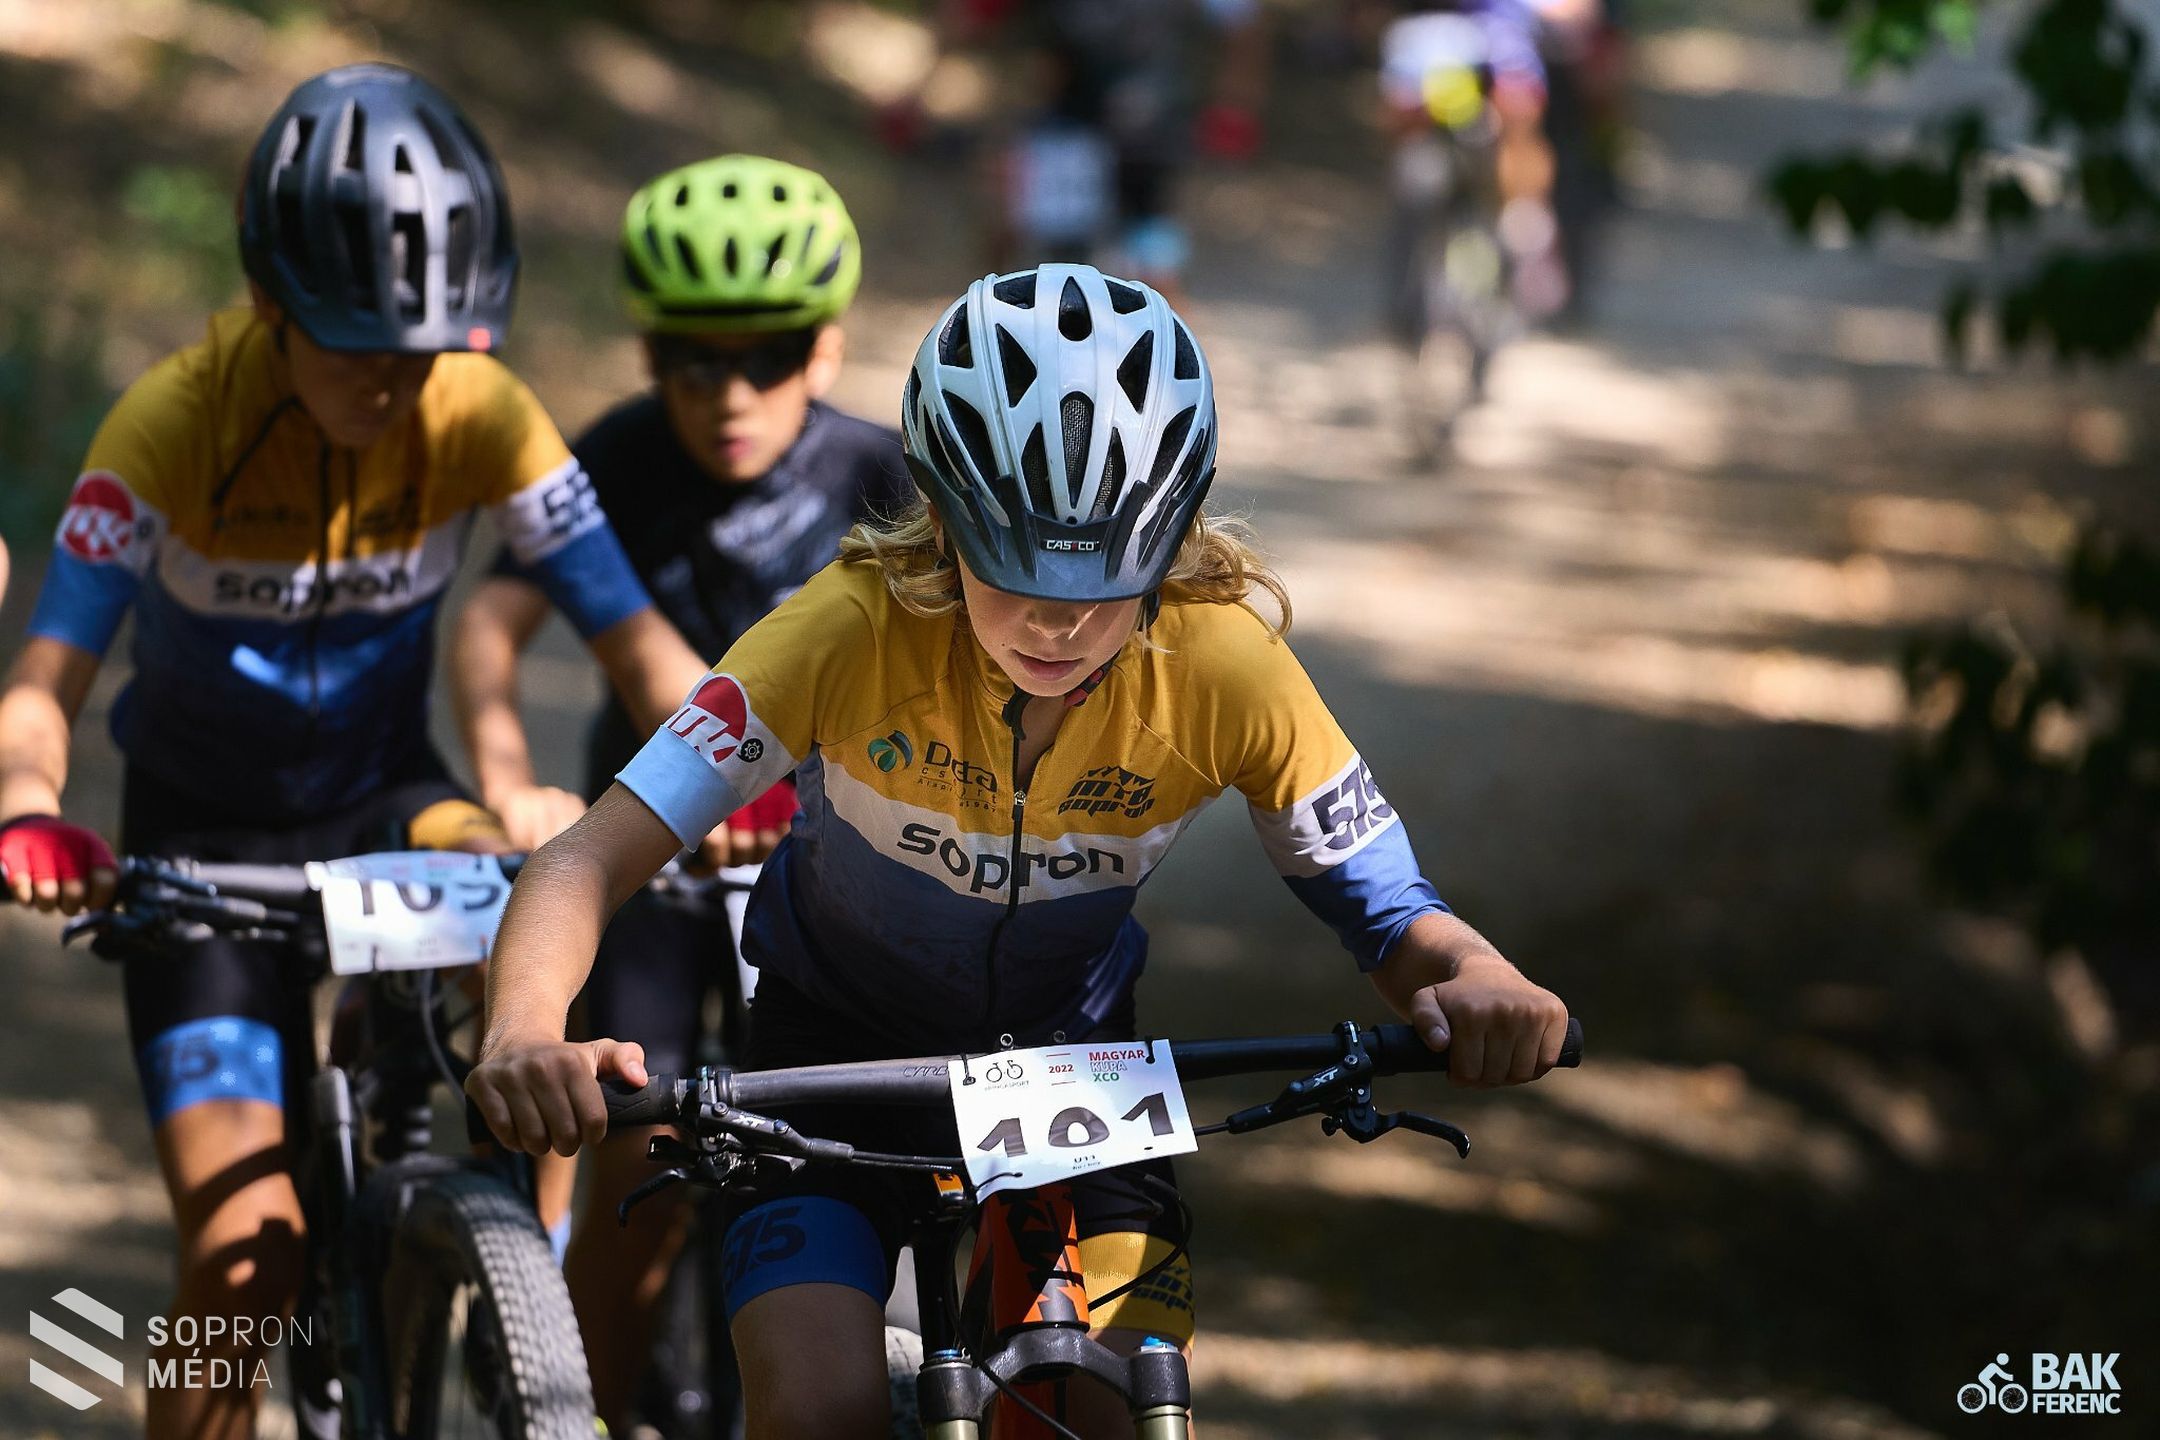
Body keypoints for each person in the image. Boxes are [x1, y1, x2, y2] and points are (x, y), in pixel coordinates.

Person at [465, 263, 1572, 1438]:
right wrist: (526, 1029)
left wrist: (1481, 977)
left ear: (1176, 540)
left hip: (1079, 1062)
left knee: (1110, 1408)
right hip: (829, 1058)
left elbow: (1396, 918)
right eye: (1018, 575)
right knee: (819, 1408)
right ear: (940, 522)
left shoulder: (1225, 668)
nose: (1061, 624)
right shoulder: (845, 627)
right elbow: (587, 856)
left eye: (1107, 585)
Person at [0, 64, 704, 1440]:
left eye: (423, 350)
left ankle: (519, 1287)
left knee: (529, 919)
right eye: (352, 346)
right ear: (269, 302)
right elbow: (45, 681)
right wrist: (30, 805)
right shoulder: (169, 424)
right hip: (199, 837)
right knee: (245, 1253)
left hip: (391, 802)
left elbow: (636, 639)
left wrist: (745, 770)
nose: (391, 384)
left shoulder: (482, 412)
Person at [448, 152, 910, 1430]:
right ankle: (565, 1407)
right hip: (652, 864)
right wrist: (506, 777)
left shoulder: (883, 476)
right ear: (649, 360)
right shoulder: (621, 457)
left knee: (858, 1150)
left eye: (766, 357)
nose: (729, 392)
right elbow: (491, 618)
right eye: (691, 361)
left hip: (824, 878)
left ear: (824, 352)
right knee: (638, 1168)